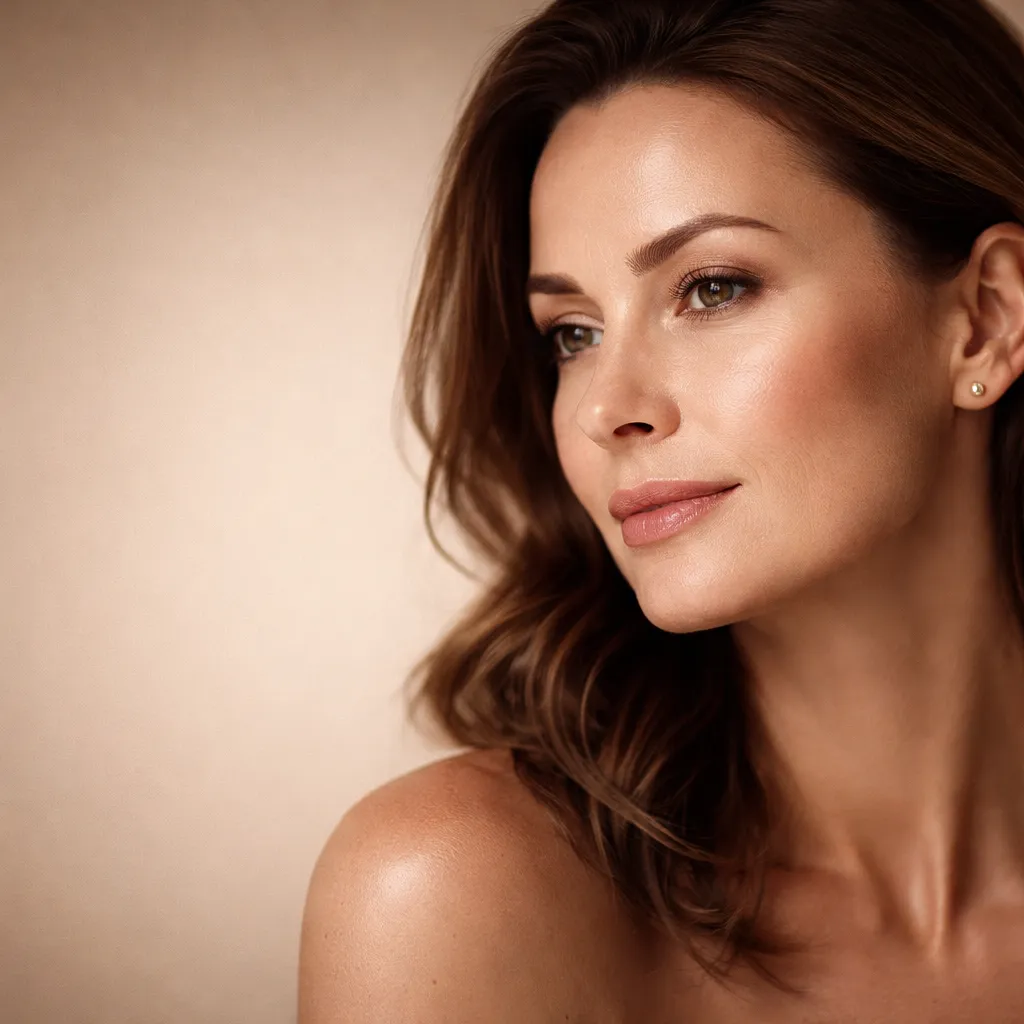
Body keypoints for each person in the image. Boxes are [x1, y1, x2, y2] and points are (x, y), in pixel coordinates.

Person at [298, 0, 1024, 1019]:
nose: (604, 408)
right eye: (572, 332)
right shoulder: (454, 890)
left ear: (985, 320)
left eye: (712, 287)